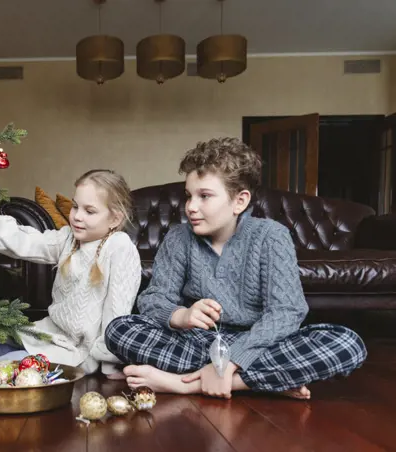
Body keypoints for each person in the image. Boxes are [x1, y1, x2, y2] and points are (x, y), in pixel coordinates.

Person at [104, 138, 367, 399]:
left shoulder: (271, 236)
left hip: (258, 344)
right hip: (199, 342)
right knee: (120, 330)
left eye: (204, 196)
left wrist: (231, 362)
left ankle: (186, 384)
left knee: (347, 344)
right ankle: (266, 381)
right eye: (189, 196)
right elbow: (153, 299)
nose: (191, 207)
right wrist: (181, 315)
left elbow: (286, 312)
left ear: (239, 201)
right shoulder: (178, 238)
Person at [0, 169, 142, 376]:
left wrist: (108, 369)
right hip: (49, 335)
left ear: (115, 219)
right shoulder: (69, 238)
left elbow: (117, 317)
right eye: (76, 206)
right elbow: (27, 242)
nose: (77, 216)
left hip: (80, 353)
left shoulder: (119, 246)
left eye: (90, 211)